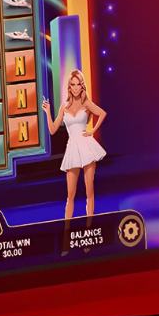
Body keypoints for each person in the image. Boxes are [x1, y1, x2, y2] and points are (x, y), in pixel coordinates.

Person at [42, 70, 107, 220]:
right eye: (73, 84)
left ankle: (90, 225)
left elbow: (102, 113)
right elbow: (52, 130)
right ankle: (67, 227)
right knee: (70, 195)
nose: (76, 88)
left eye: (78, 84)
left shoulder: (86, 103)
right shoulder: (64, 106)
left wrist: (92, 131)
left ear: (82, 86)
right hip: (72, 148)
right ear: (69, 87)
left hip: (87, 147)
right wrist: (47, 112)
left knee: (89, 191)